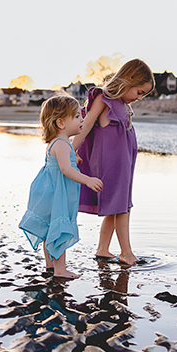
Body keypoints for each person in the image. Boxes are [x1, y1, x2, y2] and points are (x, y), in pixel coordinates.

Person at [72, 58, 154, 266]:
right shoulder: (104, 97)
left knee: (118, 206)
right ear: (128, 80)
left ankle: (103, 249)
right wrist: (70, 149)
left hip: (125, 163)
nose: (139, 98)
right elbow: (87, 124)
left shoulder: (123, 105)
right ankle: (126, 252)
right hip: (111, 164)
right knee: (122, 207)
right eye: (139, 92)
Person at [19, 95, 103, 279]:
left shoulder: (56, 143)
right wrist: (87, 179)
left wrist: (75, 159)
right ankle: (60, 270)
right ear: (61, 123)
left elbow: (63, 163)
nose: (82, 119)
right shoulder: (63, 144)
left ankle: (50, 266)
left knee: (50, 229)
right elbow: (65, 169)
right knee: (59, 230)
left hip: (49, 190)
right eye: (76, 117)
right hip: (58, 193)